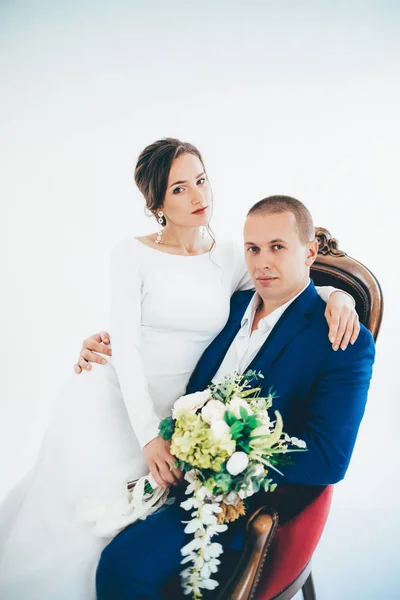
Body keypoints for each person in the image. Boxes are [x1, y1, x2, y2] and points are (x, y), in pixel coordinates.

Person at [0, 140, 358, 600]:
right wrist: (149, 433)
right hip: (124, 401)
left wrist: (340, 297)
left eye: (202, 180)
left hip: (186, 411)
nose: (198, 197)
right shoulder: (131, 255)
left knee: (135, 526)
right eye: (179, 189)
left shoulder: (232, 255)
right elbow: (125, 345)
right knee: (80, 529)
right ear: (158, 205)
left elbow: (290, 285)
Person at [94, 195, 375, 600]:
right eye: (253, 248)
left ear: (309, 251)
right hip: (169, 464)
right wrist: (106, 343)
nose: (262, 262)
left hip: (237, 502)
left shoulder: (342, 342)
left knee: (121, 566)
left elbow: (330, 457)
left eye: (278, 247)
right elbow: (166, 335)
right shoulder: (233, 304)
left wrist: (229, 453)